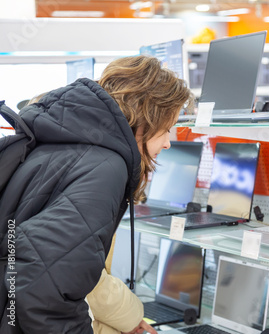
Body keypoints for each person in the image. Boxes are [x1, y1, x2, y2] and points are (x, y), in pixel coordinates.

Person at [0, 55, 193, 333]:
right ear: (147, 116)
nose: (168, 142)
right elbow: (44, 289)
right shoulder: (104, 169)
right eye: (166, 128)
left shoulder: (64, 143)